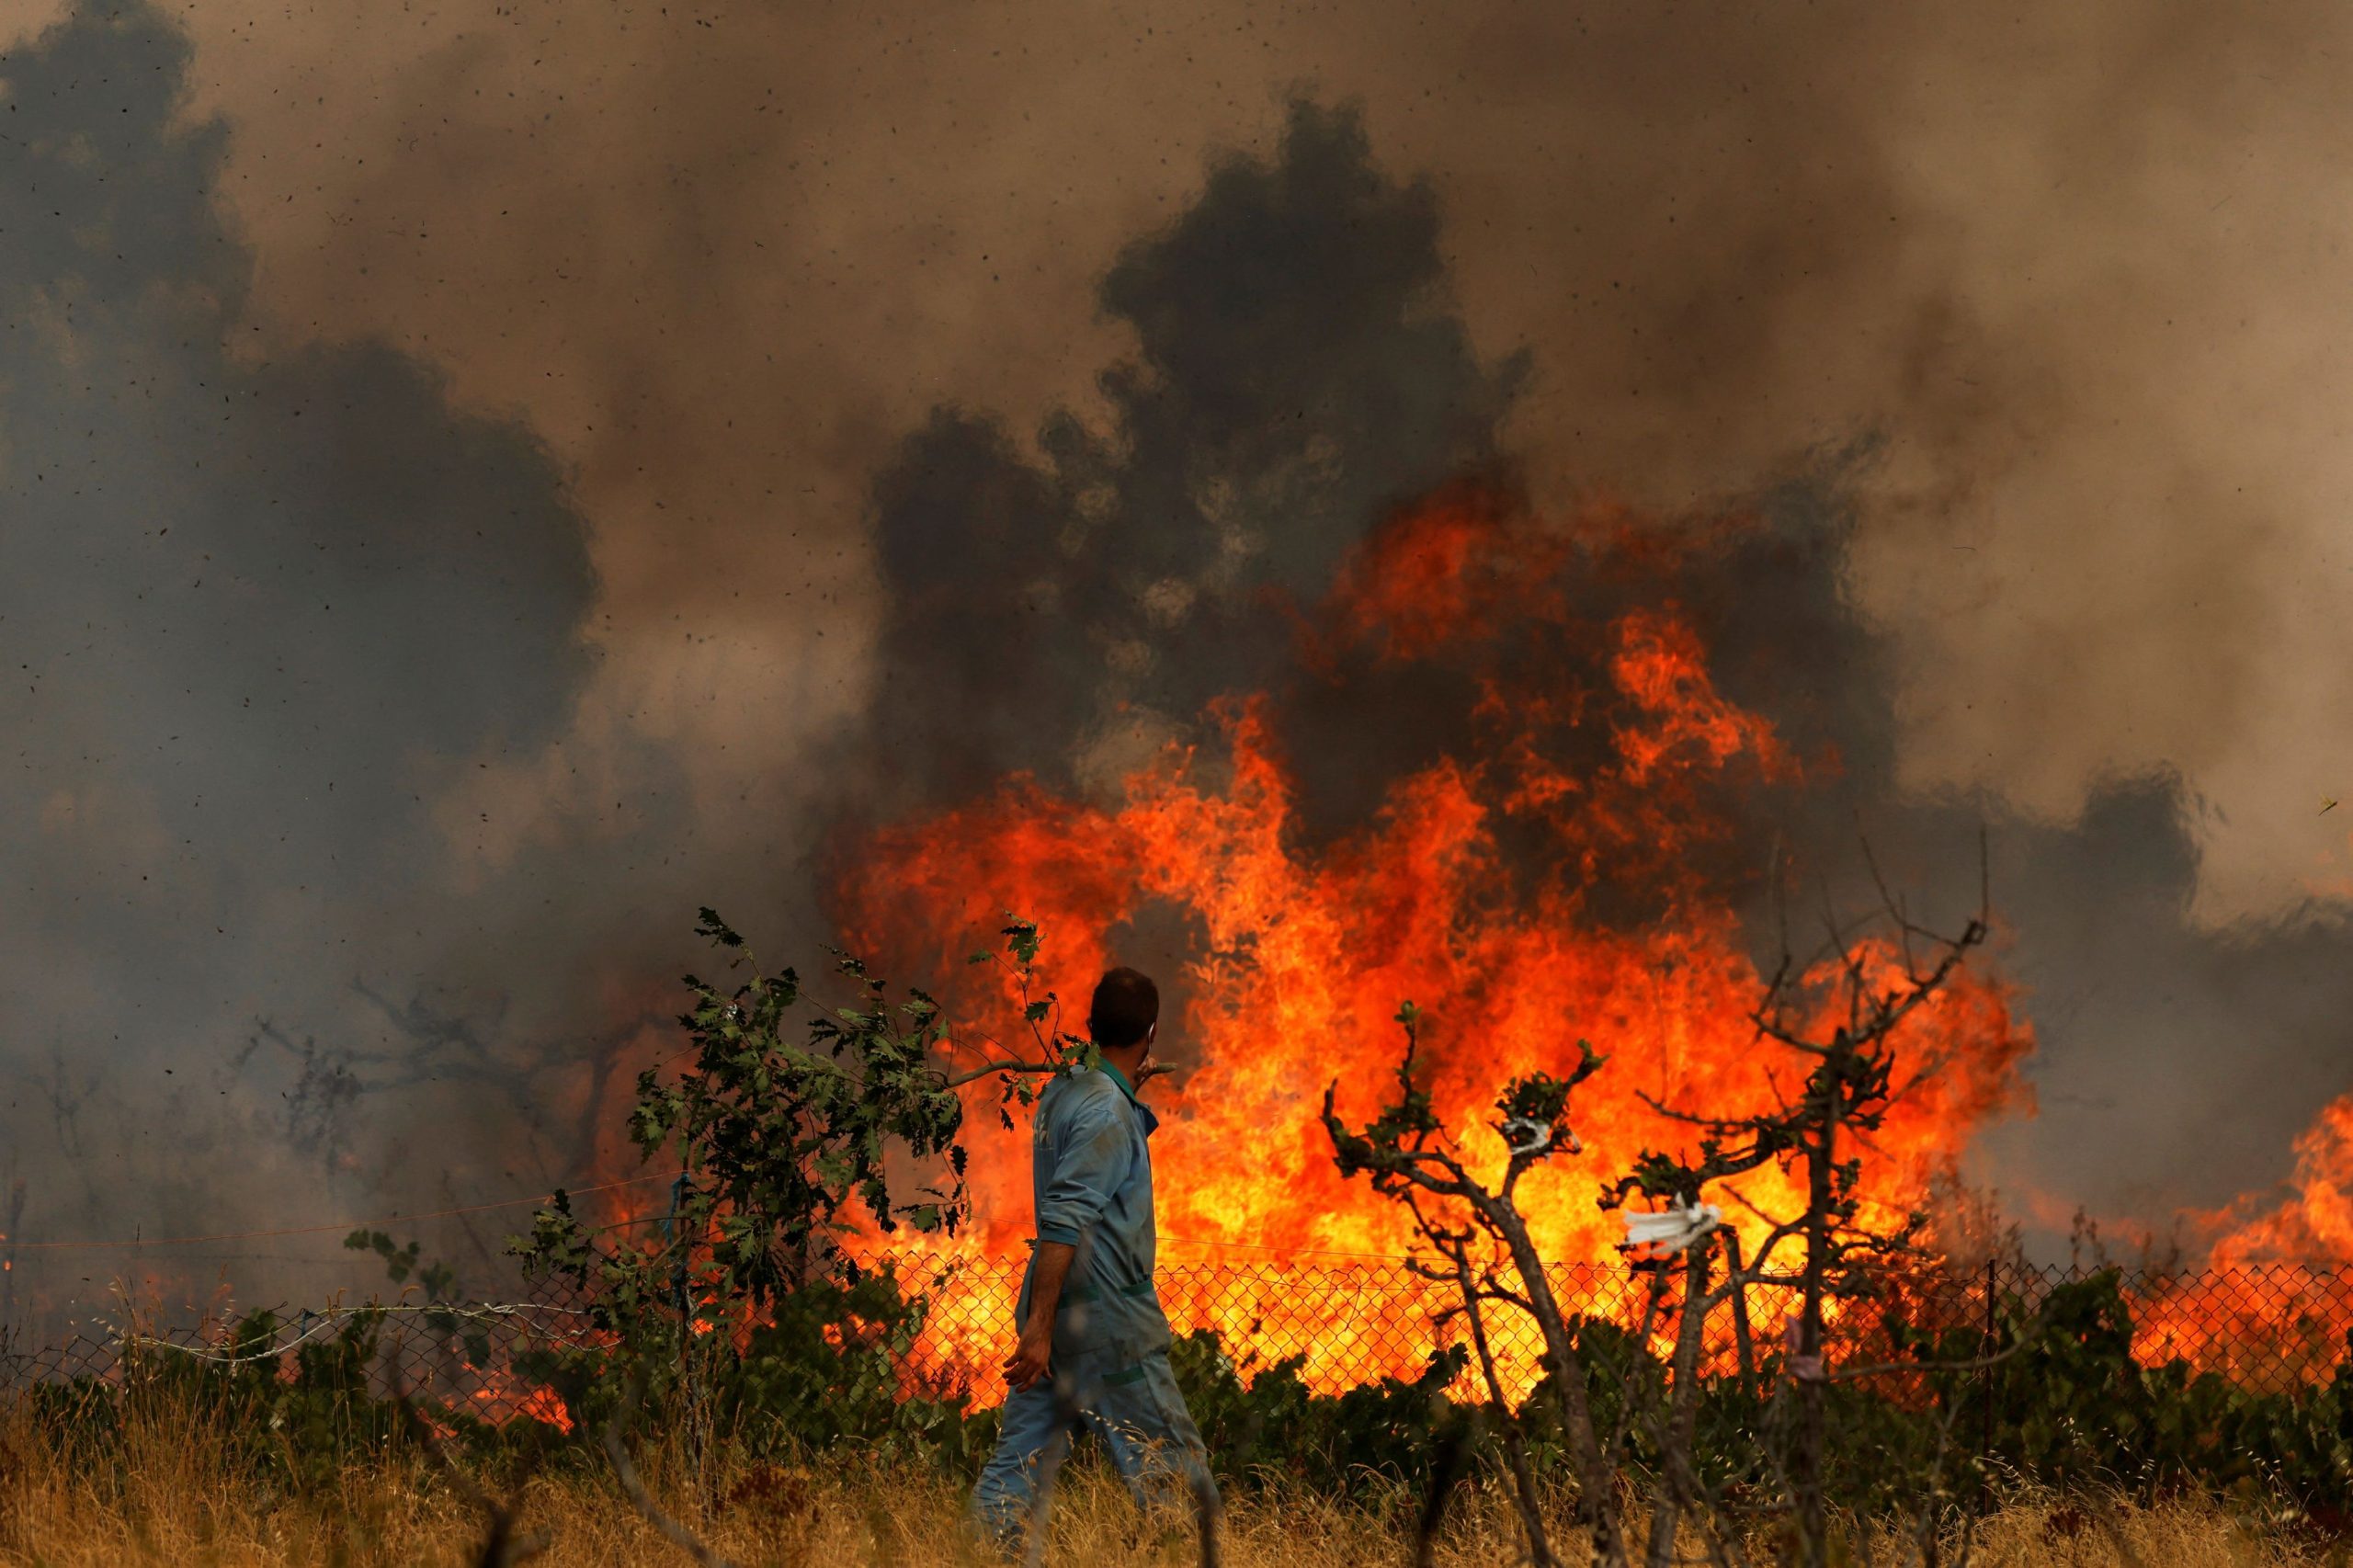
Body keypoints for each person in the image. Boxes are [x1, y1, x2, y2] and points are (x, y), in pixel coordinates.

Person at [967, 966, 1219, 1552]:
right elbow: (1065, 1218)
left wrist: (1127, 1083)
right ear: (1151, 1032)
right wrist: (1041, 1329)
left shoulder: (1066, 1090)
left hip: (1055, 1313)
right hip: (1101, 1321)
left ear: (1089, 1025)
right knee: (1177, 1479)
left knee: (1018, 1468)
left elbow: (1098, 1154)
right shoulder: (1107, 1111)